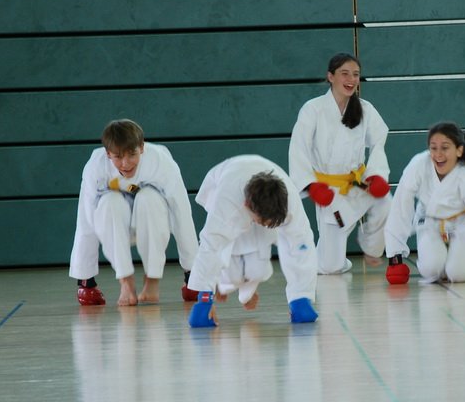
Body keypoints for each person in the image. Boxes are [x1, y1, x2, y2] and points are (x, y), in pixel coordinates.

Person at [69, 119, 199, 306]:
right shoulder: (96, 167)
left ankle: (152, 280)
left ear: (142, 147)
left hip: (152, 220)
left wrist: (193, 274)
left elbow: (182, 215)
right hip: (114, 225)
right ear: (107, 154)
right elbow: (86, 221)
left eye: (132, 154)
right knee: (109, 202)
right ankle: (126, 282)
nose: (126, 163)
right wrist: (86, 280)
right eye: (118, 156)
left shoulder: (161, 162)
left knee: (149, 198)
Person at [289, 53, 391, 274]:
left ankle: (372, 250)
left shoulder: (365, 109)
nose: (351, 79)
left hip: (358, 184)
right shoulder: (313, 109)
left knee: (385, 202)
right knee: (330, 266)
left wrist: (376, 174)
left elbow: (379, 140)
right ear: (330, 76)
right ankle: (327, 259)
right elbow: (298, 147)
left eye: (355, 74)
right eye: (345, 73)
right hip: (330, 190)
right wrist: (311, 185)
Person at [186, 155, 318, 327]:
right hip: (222, 182)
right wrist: (204, 299)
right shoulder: (226, 202)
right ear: (247, 205)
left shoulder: (289, 200)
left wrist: (301, 297)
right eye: (262, 221)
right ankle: (223, 284)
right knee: (228, 250)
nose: (264, 225)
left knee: (259, 262)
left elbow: (301, 244)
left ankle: (273, 294)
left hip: (258, 187)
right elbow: (210, 246)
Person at [384, 121, 465, 284]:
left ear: (459, 150)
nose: (438, 154)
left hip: (464, 223)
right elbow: (401, 206)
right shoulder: (419, 164)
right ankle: (446, 263)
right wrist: (395, 255)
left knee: (458, 273)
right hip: (430, 222)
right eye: (433, 148)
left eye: (445, 148)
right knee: (431, 271)